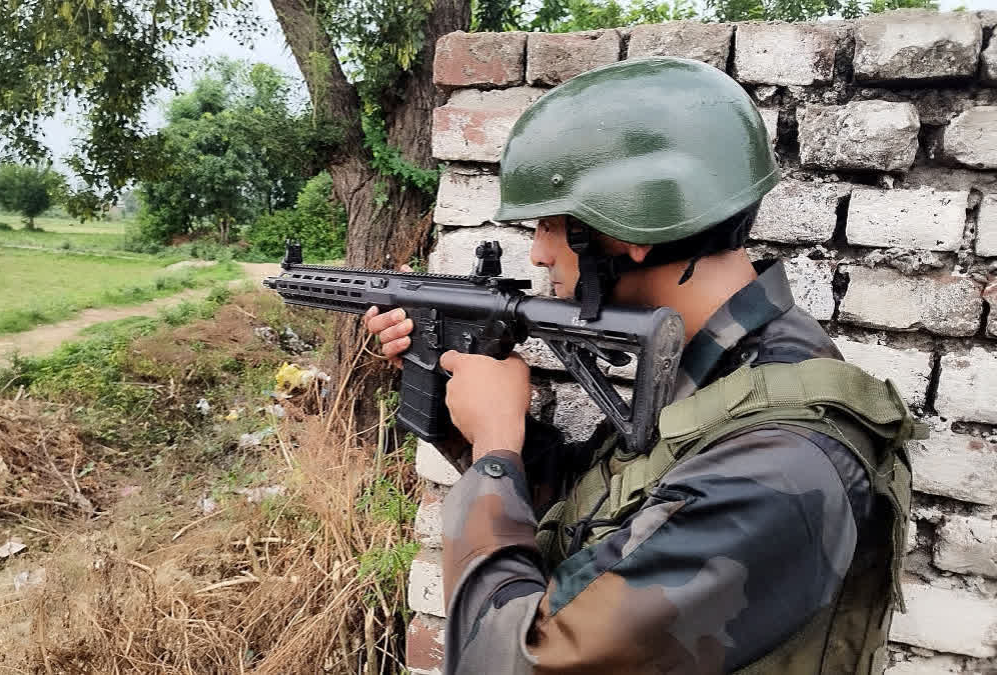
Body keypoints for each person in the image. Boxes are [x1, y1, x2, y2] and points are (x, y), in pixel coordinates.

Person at [362, 58, 920, 674]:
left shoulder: (783, 457)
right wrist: (454, 405)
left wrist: (496, 446)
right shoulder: (723, 375)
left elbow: (515, 660)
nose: (539, 253)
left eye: (551, 224)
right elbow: (597, 521)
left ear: (633, 226)